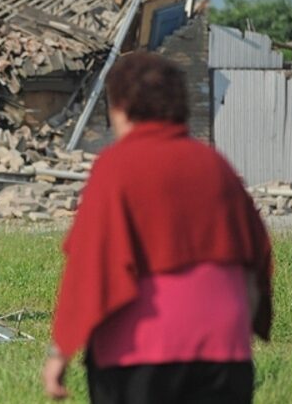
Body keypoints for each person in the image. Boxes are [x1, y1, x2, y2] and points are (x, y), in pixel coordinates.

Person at [42, 52, 273, 403]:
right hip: (225, 349)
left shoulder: (116, 166)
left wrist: (62, 349)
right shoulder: (215, 165)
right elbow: (256, 256)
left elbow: (92, 263)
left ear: (119, 108)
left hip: (142, 351)